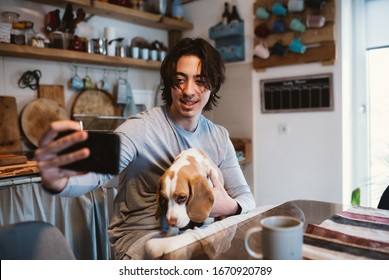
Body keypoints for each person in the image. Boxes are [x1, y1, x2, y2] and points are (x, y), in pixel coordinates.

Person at [34, 37, 256, 259]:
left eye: (200, 81)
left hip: (194, 238)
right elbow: (97, 174)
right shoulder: (142, 128)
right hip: (140, 241)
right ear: (169, 83)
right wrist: (60, 181)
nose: (189, 90)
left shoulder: (219, 137)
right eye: (180, 79)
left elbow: (245, 198)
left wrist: (227, 206)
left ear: (213, 85)